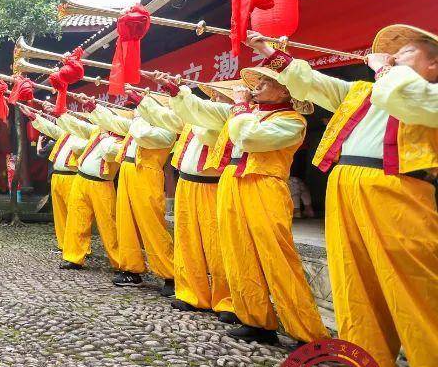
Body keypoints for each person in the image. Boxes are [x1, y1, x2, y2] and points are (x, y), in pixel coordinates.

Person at [255, 25, 437, 367]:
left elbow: (402, 97)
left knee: (417, 283)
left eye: (407, 52)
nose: (396, 56)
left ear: (433, 64)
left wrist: (386, 69)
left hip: (399, 188)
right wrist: (271, 52)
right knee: (354, 279)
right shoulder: (363, 92)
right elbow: (315, 85)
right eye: (394, 53)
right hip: (347, 184)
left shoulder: (425, 91)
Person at [179, 52, 328, 346]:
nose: (256, 85)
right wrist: (178, 92)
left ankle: (307, 332)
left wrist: (240, 105)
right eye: (257, 81)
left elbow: (248, 138)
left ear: (285, 89)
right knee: (238, 253)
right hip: (232, 182)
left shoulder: (292, 121)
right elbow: (202, 113)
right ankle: (256, 320)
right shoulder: (248, 112)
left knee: (277, 258)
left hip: (264, 187)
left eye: (265, 81)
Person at [147, 74, 236, 318]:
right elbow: (170, 118)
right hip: (188, 183)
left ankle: (227, 300)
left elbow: (202, 123)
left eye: (220, 94)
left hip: (212, 186)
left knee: (217, 246)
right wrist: (143, 102)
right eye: (214, 94)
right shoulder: (201, 116)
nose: (215, 97)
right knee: (188, 241)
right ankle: (191, 292)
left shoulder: (228, 114)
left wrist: (177, 92)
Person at [77, 92, 177, 295]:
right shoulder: (139, 123)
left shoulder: (167, 130)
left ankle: (171, 274)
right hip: (128, 171)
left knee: (152, 225)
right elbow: (114, 123)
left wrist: (138, 115)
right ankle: (131, 269)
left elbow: (141, 135)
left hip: (146, 174)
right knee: (126, 223)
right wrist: (94, 108)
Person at [59, 105, 123, 270]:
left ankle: (121, 262)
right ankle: (74, 257)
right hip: (81, 179)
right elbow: (80, 128)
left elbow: (108, 152)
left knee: (109, 225)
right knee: (76, 219)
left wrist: (103, 135)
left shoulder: (122, 138)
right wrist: (61, 114)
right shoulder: (98, 131)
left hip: (101, 184)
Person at [25, 104, 87, 252]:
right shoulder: (65, 135)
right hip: (57, 177)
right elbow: (50, 129)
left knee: (75, 215)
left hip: (72, 177)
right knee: (60, 215)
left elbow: (77, 147)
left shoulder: (83, 137)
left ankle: (79, 248)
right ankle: (64, 245)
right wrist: (34, 117)